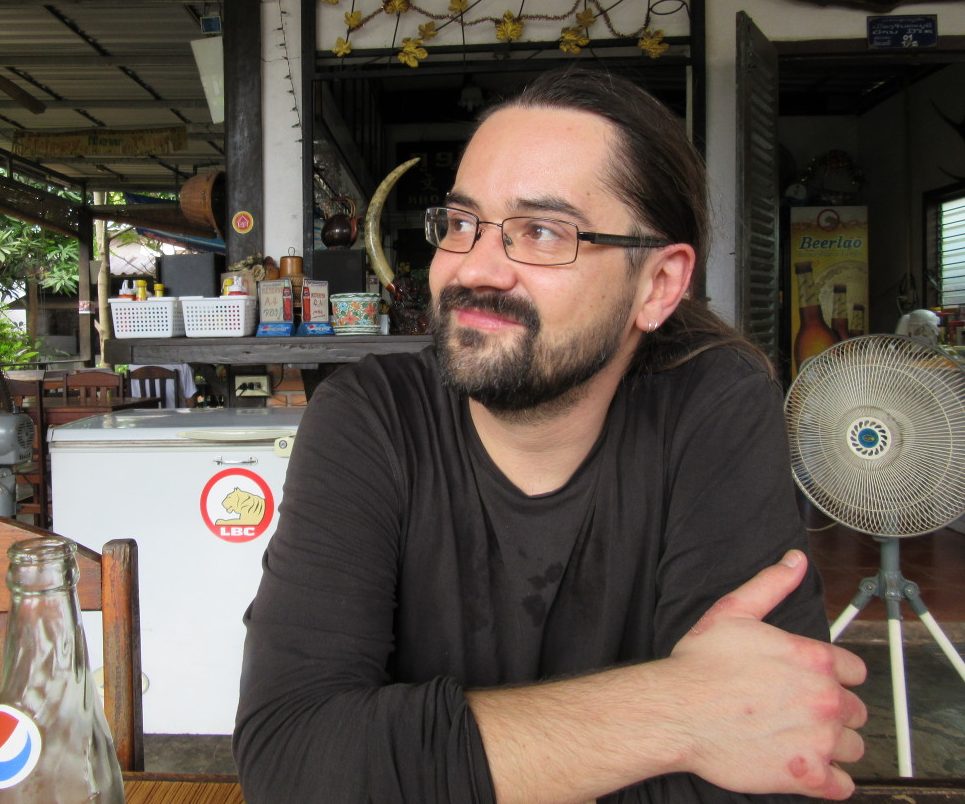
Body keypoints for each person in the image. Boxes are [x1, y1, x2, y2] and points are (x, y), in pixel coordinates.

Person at [233, 67, 867, 803]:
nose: (474, 268)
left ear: (658, 285)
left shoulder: (714, 408)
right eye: (461, 223)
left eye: (541, 232)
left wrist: (420, 763)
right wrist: (679, 711)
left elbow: (771, 758)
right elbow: (295, 762)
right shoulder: (371, 417)